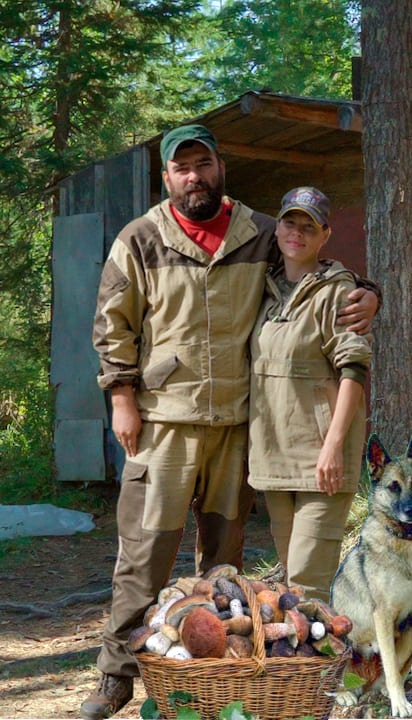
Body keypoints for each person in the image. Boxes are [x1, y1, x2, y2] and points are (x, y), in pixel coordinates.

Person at [83, 126, 379, 720]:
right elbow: (113, 323)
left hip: (237, 430)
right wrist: (121, 397)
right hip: (162, 426)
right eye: (181, 168)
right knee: (143, 560)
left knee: (224, 572)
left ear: (221, 168)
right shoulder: (140, 239)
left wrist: (369, 292)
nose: (194, 176)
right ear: (167, 178)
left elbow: (314, 270)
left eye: (204, 164)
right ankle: (116, 677)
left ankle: (216, 684)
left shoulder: (259, 233)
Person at [248, 187, 370, 603]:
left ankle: (328, 670)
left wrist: (333, 446)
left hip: (322, 460)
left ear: (325, 235)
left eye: (308, 226)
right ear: (277, 227)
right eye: (290, 222)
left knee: (307, 582)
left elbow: (354, 369)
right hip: (274, 455)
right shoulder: (261, 289)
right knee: (292, 585)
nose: (296, 233)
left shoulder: (338, 292)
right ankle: (305, 666)